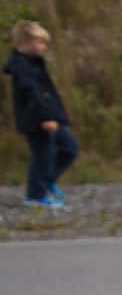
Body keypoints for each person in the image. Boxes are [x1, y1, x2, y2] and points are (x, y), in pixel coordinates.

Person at [6, 21, 77, 208]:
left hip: (50, 117)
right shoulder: (20, 65)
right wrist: (45, 117)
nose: (43, 47)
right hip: (36, 120)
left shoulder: (36, 63)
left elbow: (47, 93)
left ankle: (45, 182)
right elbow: (32, 93)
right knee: (42, 155)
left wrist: (58, 116)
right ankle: (35, 196)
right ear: (25, 42)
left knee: (70, 147)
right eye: (39, 42)